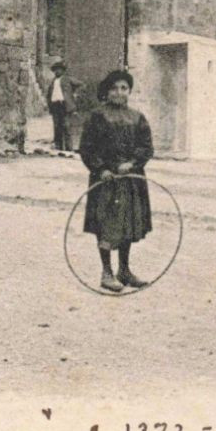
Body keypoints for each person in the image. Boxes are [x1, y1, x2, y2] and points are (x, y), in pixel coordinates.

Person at [78, 69, 154, 292]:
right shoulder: (97, 116)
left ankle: (124, 270)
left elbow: (147, 147)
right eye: (114, 88)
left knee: (128, 224)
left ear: (129, 91)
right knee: (106, 223)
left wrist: (132, 164)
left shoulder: (137, 117)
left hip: (130, 179)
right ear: (107, 91)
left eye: (124, 88)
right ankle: (106, 272)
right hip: (106, 180)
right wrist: (100, 169)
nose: (119, 92)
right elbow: (87, 148)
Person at [47, 61, 74, 152]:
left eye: (59, 70)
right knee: (57, 126)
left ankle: (69, 148)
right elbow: (49, 94)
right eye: (55, 70)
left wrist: (74, 95)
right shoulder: (53, 81)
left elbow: (81, 85)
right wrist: (49, 103)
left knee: (66, 126)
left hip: (64, 105)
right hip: (55, 105)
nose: (57, 72)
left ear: (63, 70)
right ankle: (58, 146)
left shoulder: (67, 79)